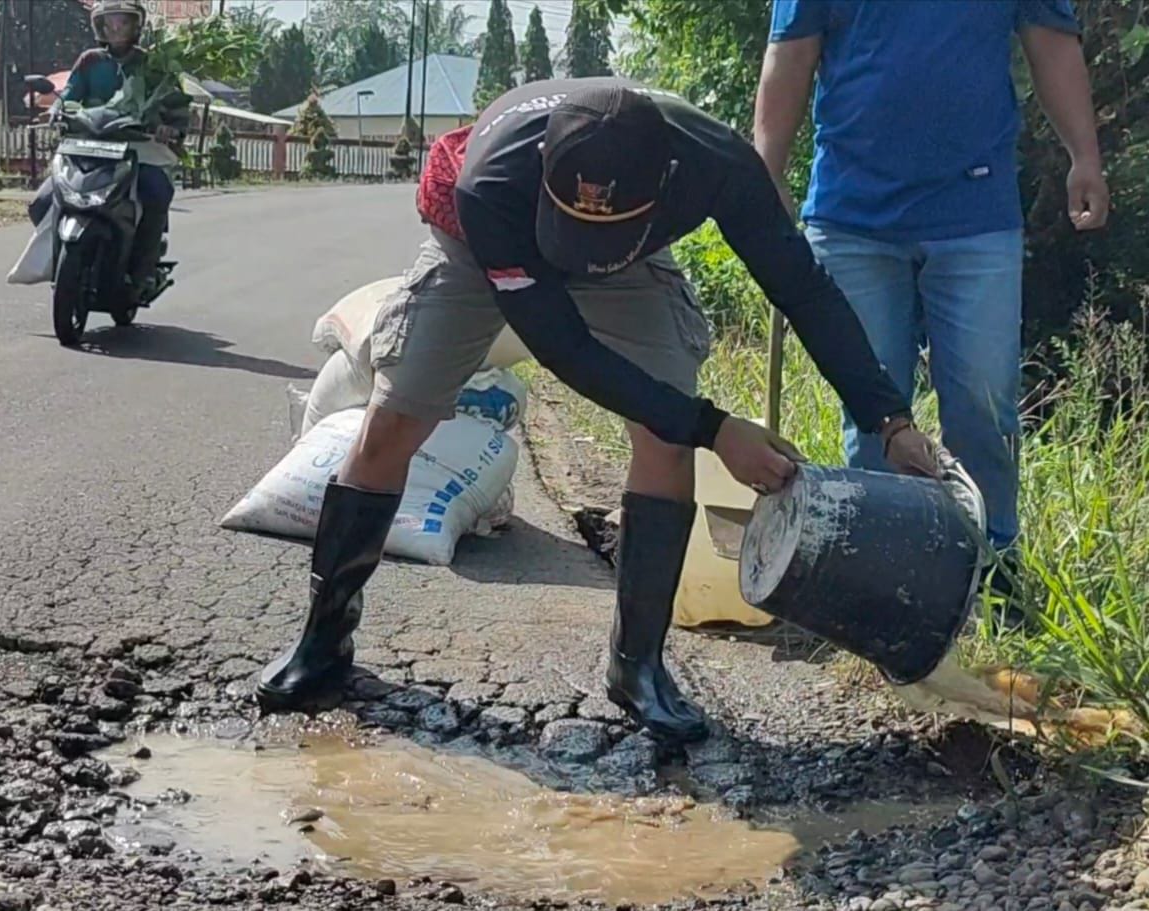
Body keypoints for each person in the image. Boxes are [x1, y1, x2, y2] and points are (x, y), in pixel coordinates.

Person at [255, 77, 945, 744]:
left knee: (662, 435)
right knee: (397, 414)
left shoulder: (718, 166)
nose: (579, 251)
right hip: (489, 246)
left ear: (666, 183)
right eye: (574, 221)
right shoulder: (490, 184)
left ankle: (636, 664)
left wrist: (888, 419)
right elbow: (563, 347)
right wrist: (714, 427)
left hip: (634, 263)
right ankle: (324, 639)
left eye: (598, 229)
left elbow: (806, 290)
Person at [753, 0, 1108, 614]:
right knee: (872, 414)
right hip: (851, 217)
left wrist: (1086, 155)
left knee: (983, 405)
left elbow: (1050, 38)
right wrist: (765, 175)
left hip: (975, 217)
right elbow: (791, 51)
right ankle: (881, 586)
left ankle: (991, 579)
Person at [32, 0, 186, 303]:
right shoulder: (89, 60)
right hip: (86, 145)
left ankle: (138, 272)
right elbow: (70, 95)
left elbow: (175, 102)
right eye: (109, 22)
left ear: (136, 26)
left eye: (123, 21)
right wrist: (56, 110)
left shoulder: (153, 63)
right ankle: (56, 262)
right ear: (99, 26)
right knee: (41, 202)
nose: (115, 27)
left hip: (138, 148)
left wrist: (171, 126)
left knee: (156, 193)